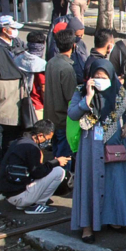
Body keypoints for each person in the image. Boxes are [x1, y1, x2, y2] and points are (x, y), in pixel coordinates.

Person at [67, 59, 126, 240]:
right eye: (96, 77)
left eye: (103, 77)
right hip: (90, 147)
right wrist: (88, 98)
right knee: (89, 183)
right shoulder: (80, 91)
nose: (100, 80)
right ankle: (87, 227)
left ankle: (114, 218)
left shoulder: (119, 93)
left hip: (114, 145)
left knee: (115, 183)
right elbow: (73, 114)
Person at [0, 19, 41, 186]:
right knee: (10, 153)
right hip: (14, 120)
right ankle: (10, 184)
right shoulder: (19, 75)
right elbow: (25, 96)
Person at [0, 120, 68, 214]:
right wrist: (56, 162)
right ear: (40, 135)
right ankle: (37, 204)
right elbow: (38, 173)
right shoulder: (31, 148)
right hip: (19, 196)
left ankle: (25, 203)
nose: (47, 142)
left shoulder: (20, 141)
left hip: (9, 193)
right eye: (47, 139)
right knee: (59, 171)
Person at [43, 28, 78, 160]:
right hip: (63, 119)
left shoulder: (51, 62)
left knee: (56, 154)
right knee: (64, 158)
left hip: (51, 116)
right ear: (73, 45)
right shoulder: (67, 68)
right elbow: (71, 97)